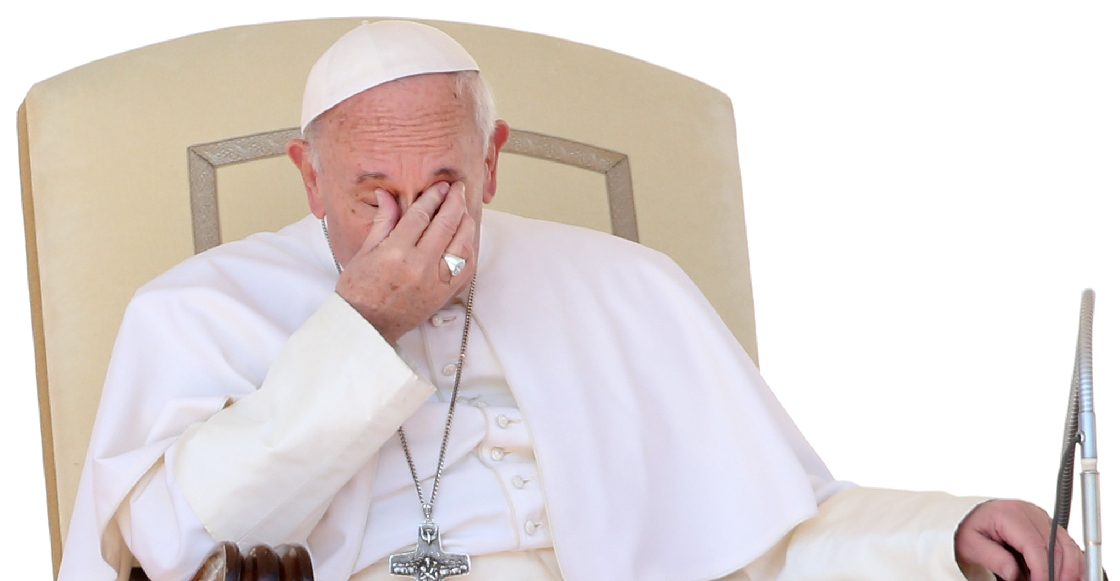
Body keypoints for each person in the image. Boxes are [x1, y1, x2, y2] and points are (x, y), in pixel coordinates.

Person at [57, 20, 1084, 581]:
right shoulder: (196, 310)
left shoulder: (626, 284)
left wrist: (947, 533)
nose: (411, 228)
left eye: (444, 187)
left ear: (493, 160)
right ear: (308, 177)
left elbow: (769, 537)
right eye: (372, 196)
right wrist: (363, 325)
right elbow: (170, 552)